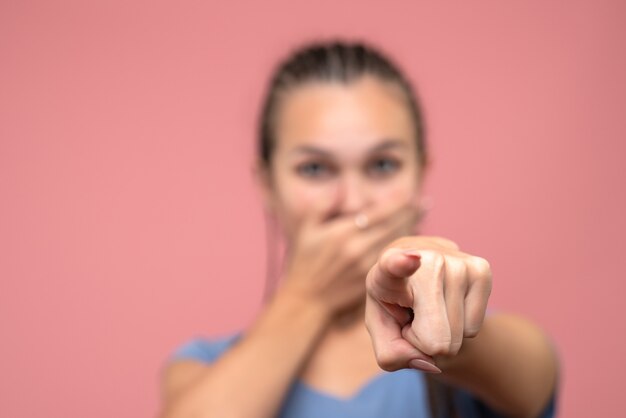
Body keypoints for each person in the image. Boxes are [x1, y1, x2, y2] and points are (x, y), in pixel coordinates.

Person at [158, 41, 559, 418]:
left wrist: (434, 297)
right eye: (314, 168)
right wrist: (308, 297)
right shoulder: (199, 365)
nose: (352, 201)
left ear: (422, 174)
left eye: (383, 165)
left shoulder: (492, 344)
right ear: (266, 184)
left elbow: (530, 379)